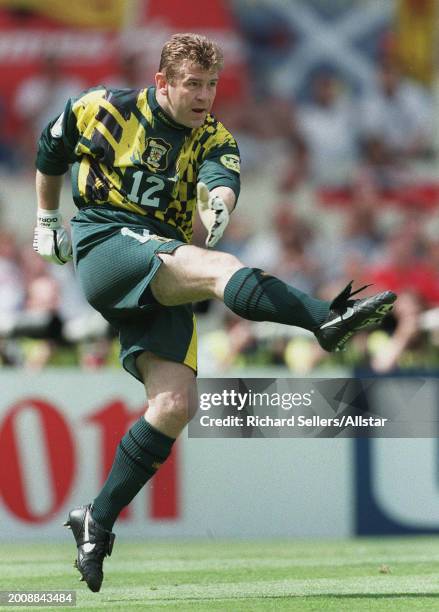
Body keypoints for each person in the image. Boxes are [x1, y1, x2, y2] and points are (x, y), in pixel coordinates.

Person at [33, 33, 396, 592]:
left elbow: (221, 180)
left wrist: (218, 203)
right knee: (218, 267)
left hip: (161, 263)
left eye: (211, 85)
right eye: (193, 85)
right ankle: (324, 318)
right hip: (106, 242)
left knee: (174, 405)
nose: (205, 96)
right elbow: (49, 149)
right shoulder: (102, 108)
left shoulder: (214, 136)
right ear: (162, 83)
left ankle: (96, 519)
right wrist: (47, 219)